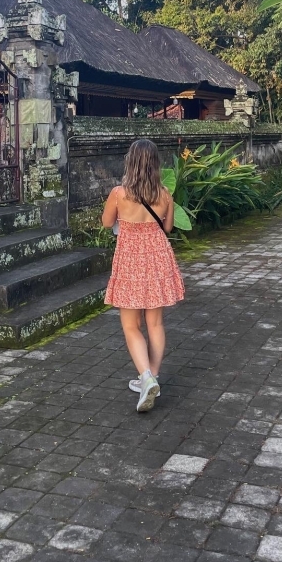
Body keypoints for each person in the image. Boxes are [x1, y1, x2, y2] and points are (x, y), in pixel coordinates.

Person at [101, 138, 185, 412]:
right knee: (156, 324)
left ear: (131, 162)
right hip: (158, 258)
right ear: (155, 165)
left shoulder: (118, 193)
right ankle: (153, 377)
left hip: (130, 260)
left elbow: (106, 223)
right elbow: (169, 227)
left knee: (130, 325)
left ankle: (146, 378)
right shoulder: (164, 194)